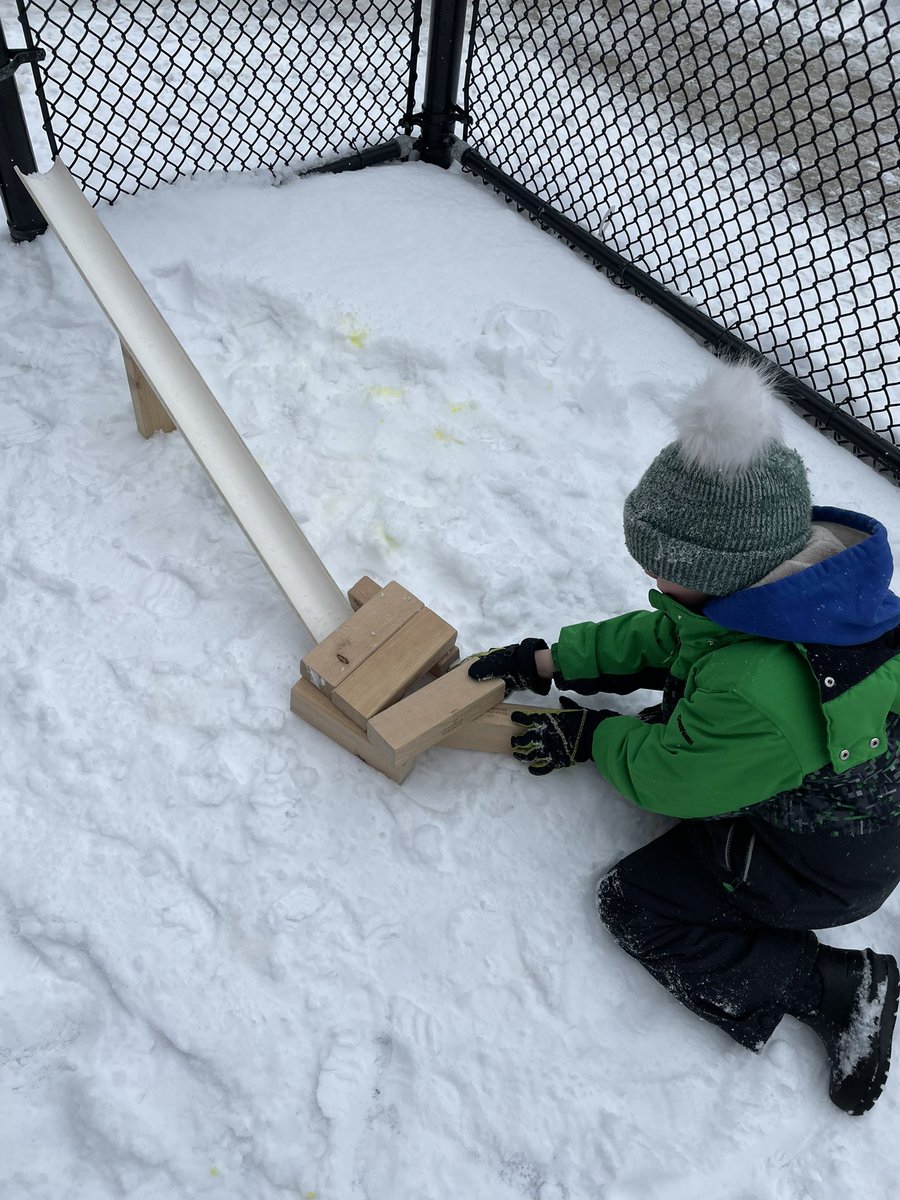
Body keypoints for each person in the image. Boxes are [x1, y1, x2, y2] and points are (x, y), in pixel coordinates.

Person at [469, 359, 900, 1115]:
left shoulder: (758, 690)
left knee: (639, 905)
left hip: (820, 865)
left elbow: (669, 780)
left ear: (721, 569)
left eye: (663, 571)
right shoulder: (791, 591)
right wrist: (550, 659)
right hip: (844, 794)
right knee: (697, 706)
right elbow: (673, 634)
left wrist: (594, 737)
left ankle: (839, 987)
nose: (654, 583)